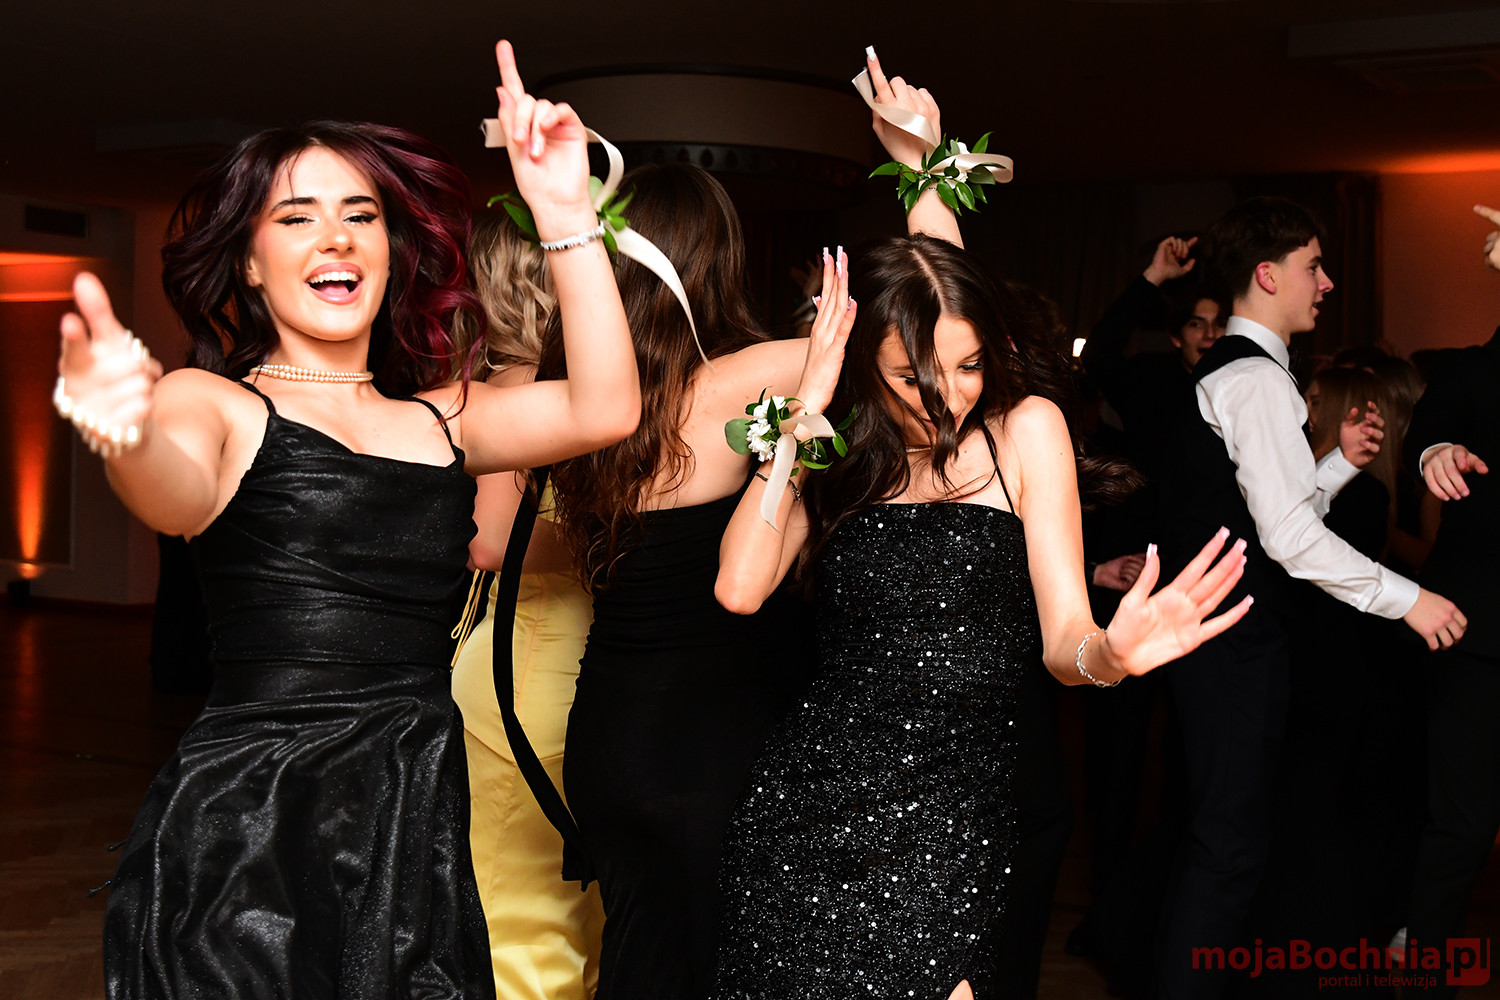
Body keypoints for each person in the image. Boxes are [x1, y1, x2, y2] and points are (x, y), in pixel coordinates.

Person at [57, 41, 640, 999]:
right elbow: (175, 490)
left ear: (391, 250)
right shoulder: (217, 402)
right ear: (249, 263)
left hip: (412, 823)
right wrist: (122, 434)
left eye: (360, 215)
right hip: (252, 827)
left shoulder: (446, 419)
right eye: (297, 217)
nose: (335, 238)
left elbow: (606, 408)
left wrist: (567, 215)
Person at [709, 152, 1252, 1000]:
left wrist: (1110, 656)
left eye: (967, 367)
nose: (947, 396)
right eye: (912, 375)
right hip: (811, 807)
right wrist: (804, 415)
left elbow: (1065, 641)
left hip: (955, 819)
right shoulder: (837, 451)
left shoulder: (1024, 430)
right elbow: (740, 588)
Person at [536, 49, 966, 1000]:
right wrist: (925, 172)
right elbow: (942, 331)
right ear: (718, 260)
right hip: (715, 737)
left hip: (609, 735)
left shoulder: (571, 399)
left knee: (639, 961)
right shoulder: (755, 376)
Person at [1154, 196, 1465, 999]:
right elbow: (1290, 540)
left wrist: (1336, 467)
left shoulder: (1250, 374)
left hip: (1225, 645)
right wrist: (1409, 599)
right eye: (1314, 266)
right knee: (1227, 855)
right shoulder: (1255, 378)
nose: (1325, 283)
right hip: (1231, 647)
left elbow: (1275, 518)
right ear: (1268, 275)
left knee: (1227, 849)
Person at [448, 212, 604, 1000]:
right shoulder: (518, 385)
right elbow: (487, 542)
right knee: (523, 910)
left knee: (559, 905)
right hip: (530, 662)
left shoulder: (566, 386)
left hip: (563, 660)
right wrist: (619, 542)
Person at [1399, 205, 1499, 999]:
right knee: (1459, 827)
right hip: (1479, 641)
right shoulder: (1468, 373)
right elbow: (1424, 434)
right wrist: (1435, 450)